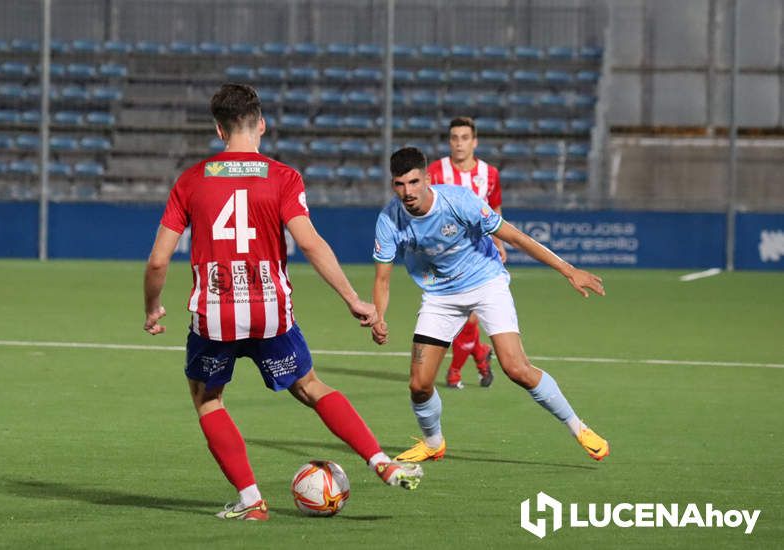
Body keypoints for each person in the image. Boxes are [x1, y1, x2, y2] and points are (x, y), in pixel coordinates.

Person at [143, 84, 423, 521]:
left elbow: (159, 260)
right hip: (271, 310)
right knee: (311, 387)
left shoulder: (192, 180)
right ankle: (380, 462)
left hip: (215, 313)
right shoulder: (282, 177)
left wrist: (152, 306)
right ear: (262, 124)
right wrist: (352, 298)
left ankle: (252, 500)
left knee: (209, 399)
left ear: (219, 130)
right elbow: (310, 244)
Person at [371, 147, 610, 463]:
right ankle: (433, 442)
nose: (408, 192)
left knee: (516, 368)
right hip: (440, 297)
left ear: (427, 179)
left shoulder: (458, 201)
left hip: (486, 283)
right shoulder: (389, 220)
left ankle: (578, 427)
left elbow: (517, 237)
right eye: (400, 185)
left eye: (414, 182)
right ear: (393, 185)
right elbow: (383, 280)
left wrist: (569, 270)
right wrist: (379, 316)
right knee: (419, 385)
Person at [426, 117, 503, 390]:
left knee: (470, 313)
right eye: (454, 138)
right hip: (446, 255)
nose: (459, 143)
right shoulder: (435, 171)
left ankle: (455, 371)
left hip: (480, 254)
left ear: (474, 141)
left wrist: (499, 243)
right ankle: (480, 354)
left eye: (465, 138)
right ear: (449, 142)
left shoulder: (489, 174)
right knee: (460, 314)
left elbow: (494, 210)